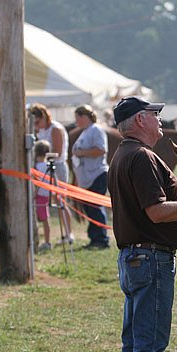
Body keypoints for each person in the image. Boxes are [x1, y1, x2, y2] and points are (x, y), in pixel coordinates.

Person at [108, 95, 177, 352]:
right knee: (149, 342)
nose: (160, 120)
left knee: (134, 343)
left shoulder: (123, 155)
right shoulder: (142, 157)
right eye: (155, 115)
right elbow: (157, 211)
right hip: (151, 258)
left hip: (134, 257)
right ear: (140, 120)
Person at [30, 103, 74, 244]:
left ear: (44, 117)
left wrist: (41, 156)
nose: (36, 125)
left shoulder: (55, 128)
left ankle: (68, 234)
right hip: (44, 166)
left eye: (37, 122)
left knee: (60, 201)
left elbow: (58, 152)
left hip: (58, 166)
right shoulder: (40, 130)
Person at [71, 105, 110, 249]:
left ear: (84, 116)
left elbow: (101, 150)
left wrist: (81, 153)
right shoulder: (86, 131)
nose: (76, 121)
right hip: (87, 176)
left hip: (97, 174)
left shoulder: (96, 130)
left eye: (77, 117)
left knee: (95, 207)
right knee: (90, 208)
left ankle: (102, 239)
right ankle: (95, 238)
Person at [33, 139, 52, 251]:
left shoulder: (36, 167)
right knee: (45, 219)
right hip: (46, 195)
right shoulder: (48, 166)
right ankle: (47, 240)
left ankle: (45, 241)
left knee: (41, 219)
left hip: (38, 196)